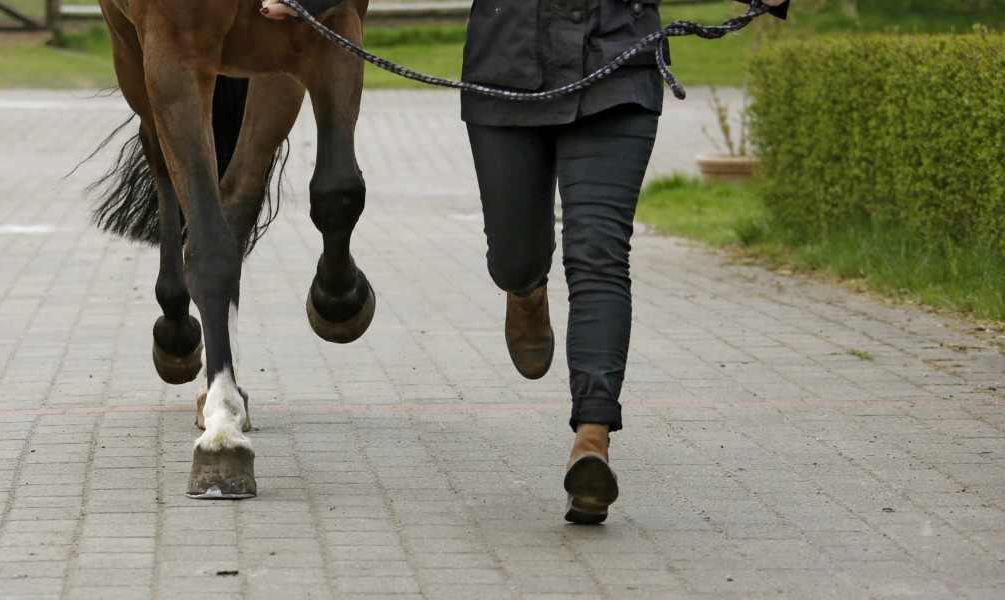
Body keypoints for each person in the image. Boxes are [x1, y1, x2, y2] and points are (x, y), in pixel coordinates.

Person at [262, 0, 790, 524]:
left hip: (617, 65)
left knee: (599, 255)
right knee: (515, 259)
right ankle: (525, 290)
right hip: (506, 69)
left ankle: (592, 438)